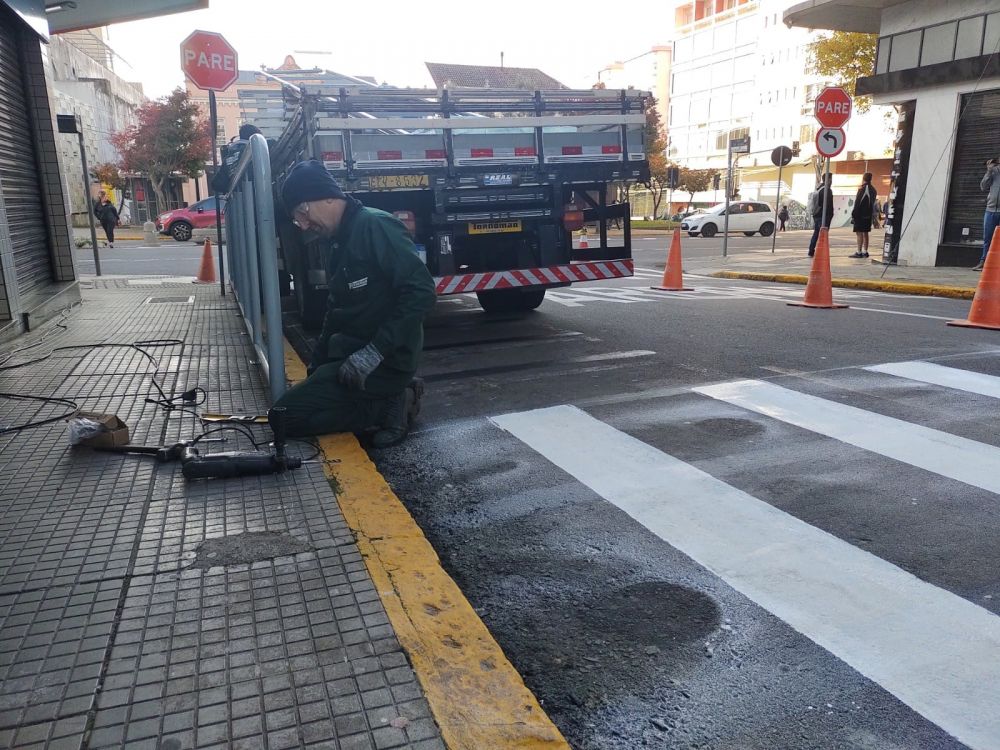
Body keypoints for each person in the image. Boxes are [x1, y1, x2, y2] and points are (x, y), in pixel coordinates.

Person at [272, 160, 437, 446]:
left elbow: (420, 292)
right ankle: (384, 400)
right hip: (350, 356)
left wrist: (374, 352)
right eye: (298, 219)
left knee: (284, 417)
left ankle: (394, 403)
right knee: (294, 412)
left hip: (383, 361)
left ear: (326, 196)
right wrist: (317, 364)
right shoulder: (337, 241)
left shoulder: (375, 225)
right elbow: (334, 311)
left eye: (302, 212)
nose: (304, 225)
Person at [976, 157, 1000, 271]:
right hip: (990, 210)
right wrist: (989, 171)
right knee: (987, 238)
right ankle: (984, 261)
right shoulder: (993, 171)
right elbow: (983, 187)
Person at [850, 172, 877, 258]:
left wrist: (854, 215)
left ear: (864, 179)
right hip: (869, 215)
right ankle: (865, 251)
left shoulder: (863, 189)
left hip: (861, 215)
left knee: (859, 233)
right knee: (866, 233)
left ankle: (859, 252)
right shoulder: (873, 190)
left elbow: (858, 203)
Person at [807, 173, 834, 257]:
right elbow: (828, 204)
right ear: (828, 179)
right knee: (823, 234)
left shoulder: (819, 188)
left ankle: (811, 250)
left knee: (816, 233)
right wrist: (831, 214)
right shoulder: (827, 190)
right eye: (830, 179)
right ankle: (821, 251)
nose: (831, 181)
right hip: (824, 216)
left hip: (817, 215)